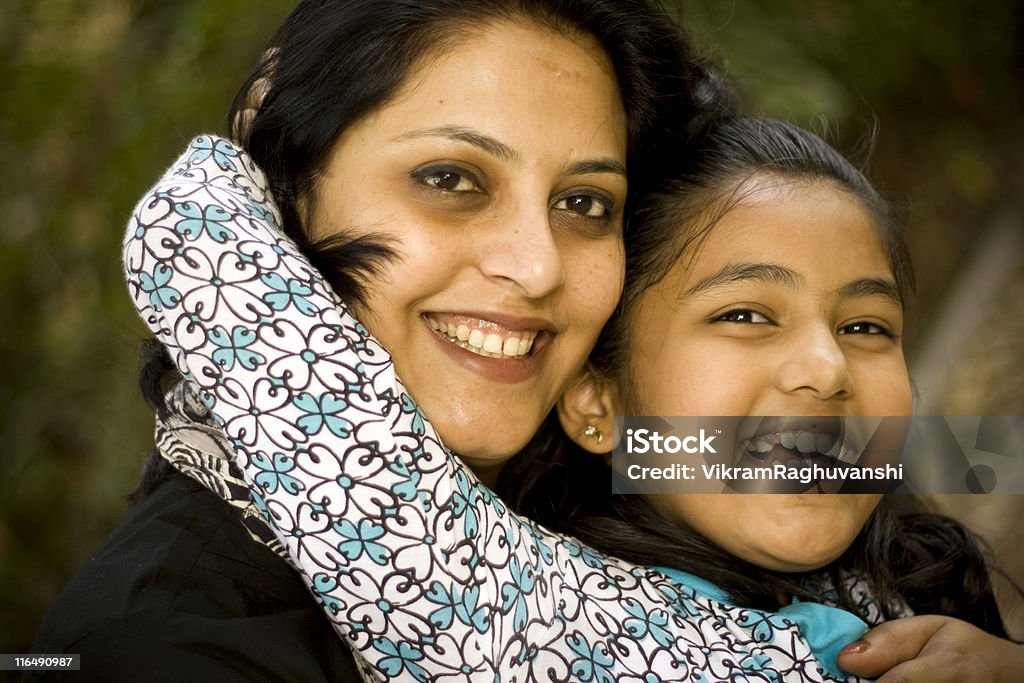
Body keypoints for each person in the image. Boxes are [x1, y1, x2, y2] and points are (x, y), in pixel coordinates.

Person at [115, 85, 1024, 681]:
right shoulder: (547, 622)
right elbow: (346, 447)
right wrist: (277, 137)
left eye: (867, 326)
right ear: (600, 403)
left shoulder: (916, 584)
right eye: (746, 314)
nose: (827, 368)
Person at [29, 0, 716, 679]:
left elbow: (801, 457)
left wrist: (823, 613)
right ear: (294, 178)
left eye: (584, 203)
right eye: (450, 179)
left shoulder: (600, 451)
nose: (538, 267)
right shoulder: (163, 642)